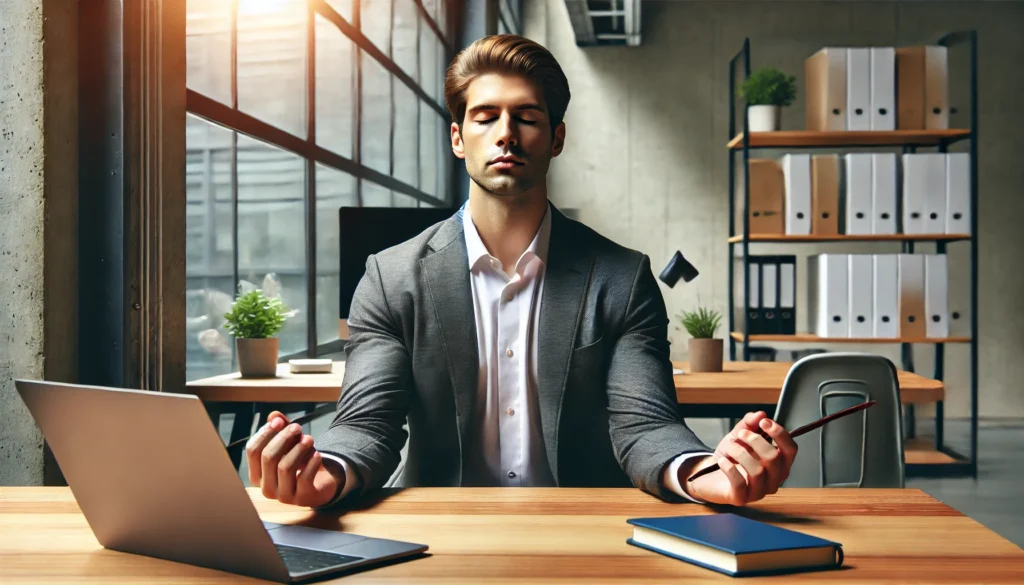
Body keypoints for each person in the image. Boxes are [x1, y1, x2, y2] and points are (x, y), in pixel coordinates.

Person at [245, 34, 797, 509]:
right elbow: (368, 425)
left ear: (556, 139)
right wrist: (328, 473)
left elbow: (645, 426)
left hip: (583, 537)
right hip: (438, 534)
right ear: (459, 138)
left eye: (527, 117)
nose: (506, 133)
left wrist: (704, 474)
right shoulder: (392, 278)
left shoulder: (621, 279)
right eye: (485, 117)